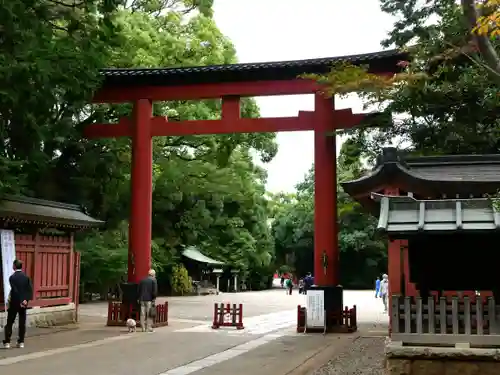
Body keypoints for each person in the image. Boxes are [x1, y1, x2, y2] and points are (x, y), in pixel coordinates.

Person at [3, 259, 33, 349]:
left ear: (14, 266)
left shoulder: (12, 278)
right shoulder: (26, 277)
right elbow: (29, 291)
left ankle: (7, 342)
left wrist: (19, 300)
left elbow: (15, 291)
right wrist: (25, 300)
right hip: (24, 303)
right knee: (22, 322)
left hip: (15, 302)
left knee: (10, 322)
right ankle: (21, 342)